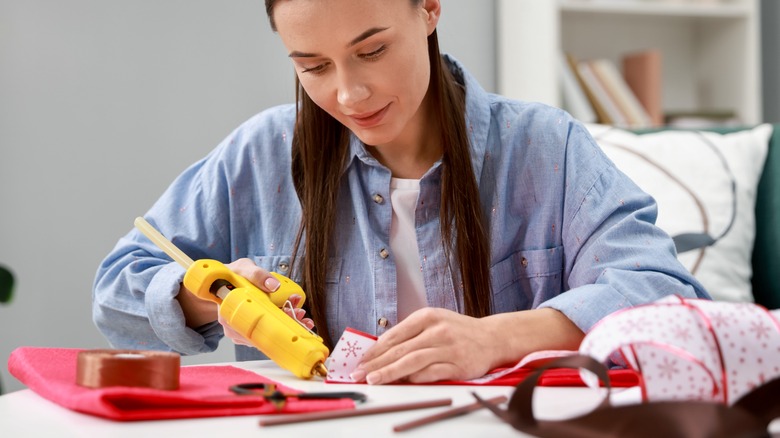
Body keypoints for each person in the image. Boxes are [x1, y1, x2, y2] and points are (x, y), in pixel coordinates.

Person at [92, 0, 710, 385]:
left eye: (373, 50)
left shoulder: (545, 148)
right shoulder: (261, 154)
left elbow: (665, 297)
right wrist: (219, 294)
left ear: (430, 9)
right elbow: (117, 292)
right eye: (312, 66)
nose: (349, 94)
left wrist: (498, 338)